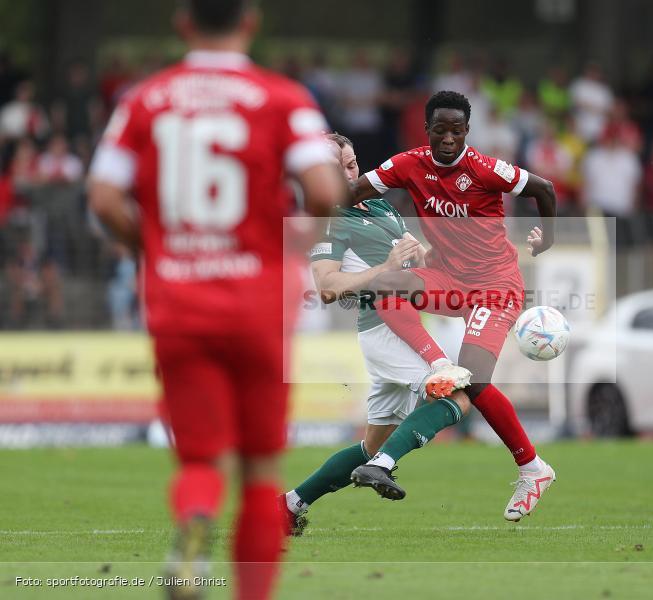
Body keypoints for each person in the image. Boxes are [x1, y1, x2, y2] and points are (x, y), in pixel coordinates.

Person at [86, 1, 347, 599]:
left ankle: (194, 522)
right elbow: (325, 189)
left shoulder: (145, 100)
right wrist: (300, 237)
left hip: (178, 301)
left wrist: (150, 248)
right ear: (250, 21)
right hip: (258, 305)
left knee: (201, 463)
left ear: (183, 24)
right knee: (260, 474)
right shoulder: (283, 98)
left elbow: (102, 197)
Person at [346, 90, 558, 521]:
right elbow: (355, 190)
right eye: (439, 130)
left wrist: (548, 236)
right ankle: (437, 363)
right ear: (427, 130)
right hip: (449, 279)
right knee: (385, 284)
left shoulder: (483, 168)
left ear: (467, 132)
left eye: (456, 131)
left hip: (496, 286)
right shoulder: (409, 163)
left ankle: (533, 469)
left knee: (475, 384)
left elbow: (544, 188)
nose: (448, 139)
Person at [279, 133, 440, 534]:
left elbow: (414, 260)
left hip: (407, 323)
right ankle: (382, 467)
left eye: (351, 164)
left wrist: (437, 253)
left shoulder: (380, 203)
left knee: (371, 445)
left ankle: (288, 505)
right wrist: (386, 265)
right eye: (337, 168)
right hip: (383, 328)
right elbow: (328, 287)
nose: (349, 173)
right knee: (455, 392)